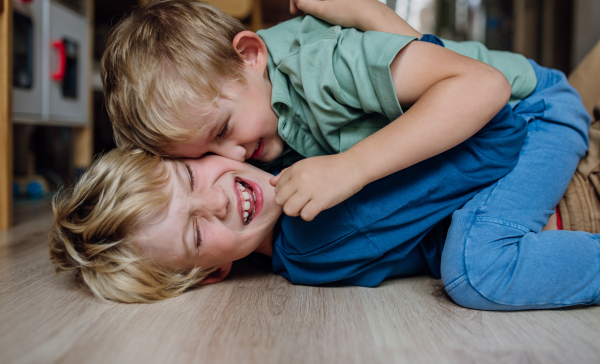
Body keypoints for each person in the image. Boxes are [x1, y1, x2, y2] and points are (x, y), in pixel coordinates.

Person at [49, 60, 597, 308]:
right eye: (195, 233)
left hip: (527, 117)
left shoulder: (281, 141)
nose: (215, 201)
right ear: (209, 273)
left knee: (477, 269)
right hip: (516, 122)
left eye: (191, 175)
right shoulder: (313, 238)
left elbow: (495, 128)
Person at [101, 0, 537, 223]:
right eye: (205, 154)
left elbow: (484, 88)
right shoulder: (260, 105)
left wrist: (352, 168)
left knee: (480, 265)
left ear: (250, 54)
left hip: (527, 107)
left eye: (223, 130)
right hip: (480, 129)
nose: (233, 157)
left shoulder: (324, 66)